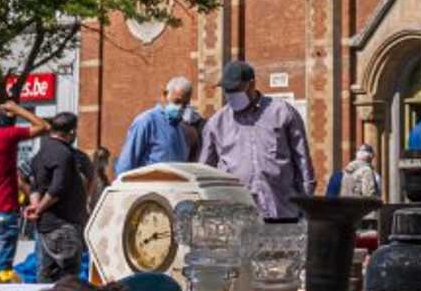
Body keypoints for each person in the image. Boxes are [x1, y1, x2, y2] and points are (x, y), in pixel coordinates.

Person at [198, 60, 315, 219]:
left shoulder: (282, 112)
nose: (230, 94)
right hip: (235, 214)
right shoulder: (216, 123)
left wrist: (306, 203)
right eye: (227, 90)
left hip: (281, 209)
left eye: (235, 89)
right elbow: (205, 170)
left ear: (251, 84)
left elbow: (302, 160)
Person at [0, 100, 50, 279]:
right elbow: (44, 126)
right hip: (3, 210)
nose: (0, 112)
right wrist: (17, 109)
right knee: (3, 270)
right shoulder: (5, 135)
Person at [25, 113, 90, 284]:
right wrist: (38, 209)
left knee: (45, 278)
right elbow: (58, 188)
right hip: (64, 226)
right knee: (68, 281)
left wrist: (35, 207)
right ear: (72, 132)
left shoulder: (40, 154)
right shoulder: (65, 154)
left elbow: (34, 186)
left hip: (45, 228)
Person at [116, 77, 203, 174]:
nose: (180, 108)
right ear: (164, 95)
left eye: (185, 105)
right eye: (177, 102)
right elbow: (126, 164)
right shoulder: (147, 122)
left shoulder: (181, 128)